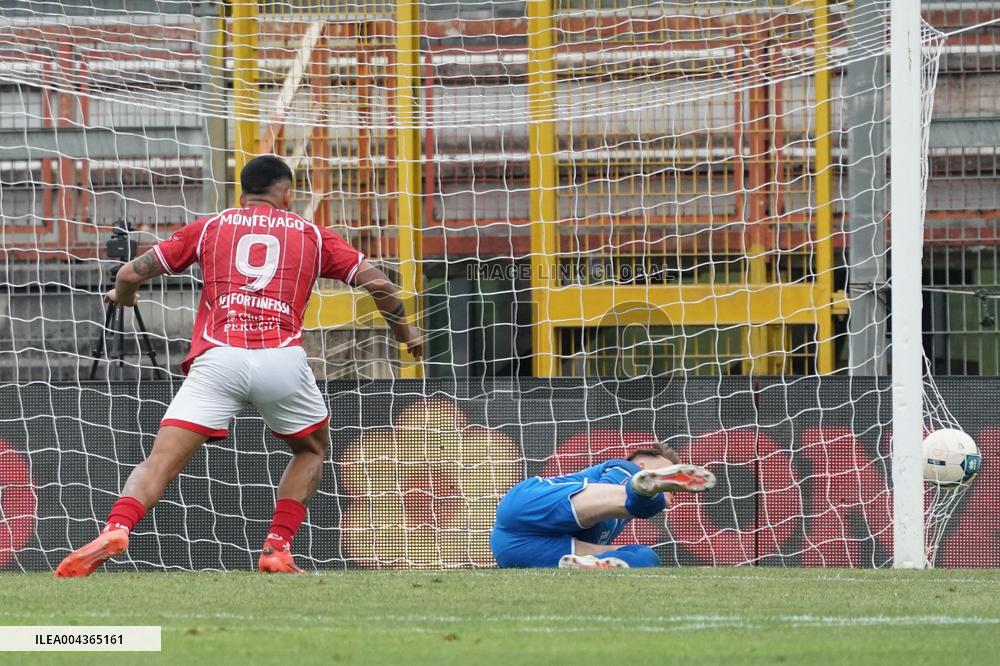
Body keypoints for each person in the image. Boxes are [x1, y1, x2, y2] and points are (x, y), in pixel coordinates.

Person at [56, 155, 422, 577]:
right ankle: (276, 549)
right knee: (311, 449)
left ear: (241, 192)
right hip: (281, 360)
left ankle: (118, 527)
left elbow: (130, 273)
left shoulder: (212, 226)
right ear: (287, 194)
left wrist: (124, 297)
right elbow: (379, 283)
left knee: (159, 461)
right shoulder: (314, 235)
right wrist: (405, 334)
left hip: (219, 359)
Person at [490, 444, 715, 569]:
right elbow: (605, 490)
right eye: (665, 471)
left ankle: (590, 568)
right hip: (526, 506)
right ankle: (643, 490)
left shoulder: (619, 520)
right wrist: (652, 496)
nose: (673, 491)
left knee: (646, 558)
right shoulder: (623, 468)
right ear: (643, 464)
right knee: (634, 498)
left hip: (514, 549)